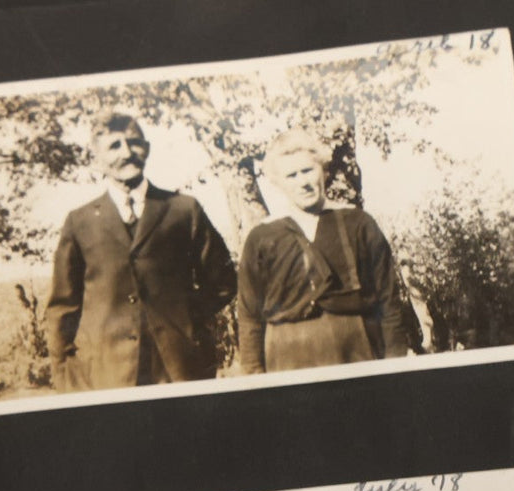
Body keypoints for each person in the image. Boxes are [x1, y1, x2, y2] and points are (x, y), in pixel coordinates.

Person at [46, 110, 237, 391]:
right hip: (104, 372)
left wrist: (185, 318)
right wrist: (63, 374)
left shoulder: (183, 209)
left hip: (178, 367)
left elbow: (223, 282)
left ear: (146, 149)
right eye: (114, 146)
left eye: (134, 142)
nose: (126, 153)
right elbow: (63, 306)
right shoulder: (80, 221)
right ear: (97, 159)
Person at [236, 128, 409, 374]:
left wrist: (395, 365)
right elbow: (249, 315)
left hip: (356, 354)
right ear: (277, 182)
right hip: (287, 361)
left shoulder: (358, 223)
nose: (303, 182)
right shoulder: (261, 237)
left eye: (308, 170)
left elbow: (388, 301)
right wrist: (254, 376)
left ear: (323, 170)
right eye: (291, 175)